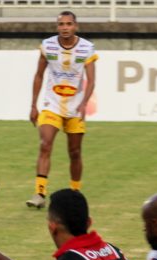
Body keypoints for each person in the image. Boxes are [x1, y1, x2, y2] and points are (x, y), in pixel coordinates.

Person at [26, 11, 97, 210]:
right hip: (52, 104)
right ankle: (39, 193)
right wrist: (33, 105)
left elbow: (91, 80)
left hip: (75, 106)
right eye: (61, 24)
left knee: (74, 152)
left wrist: (84, 103)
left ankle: (75, 191)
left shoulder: (87, 48)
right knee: (45, 144)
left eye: (68, 24)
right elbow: (39, 75)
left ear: (76, 26)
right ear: (57, 26)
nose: (65, 27)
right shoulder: (47, 46)